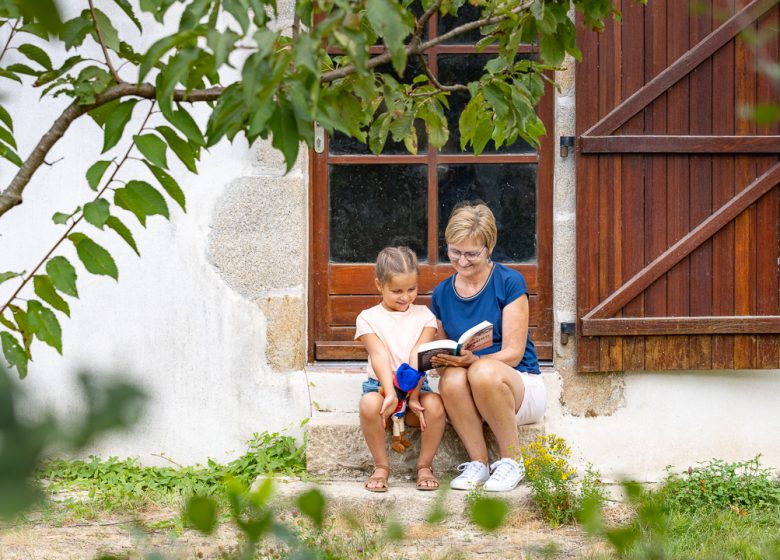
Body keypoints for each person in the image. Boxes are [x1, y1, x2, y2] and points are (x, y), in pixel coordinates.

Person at [430, 202, 546, 492]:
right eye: (455, 251)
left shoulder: (508, 282)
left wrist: (474, 360)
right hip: (470, 392)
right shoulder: (443, 292)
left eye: (472, 254)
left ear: (489, 248)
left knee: (481, 370)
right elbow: (445, 347)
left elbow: (514, 352)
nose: (462, 261)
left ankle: (512, 461)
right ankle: (478, 464)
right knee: (452, 377)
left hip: (517, 385)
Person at [355, 246, 446, 492]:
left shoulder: (424, 315)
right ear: (379, 285)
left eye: (411, 289)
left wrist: (414, 396)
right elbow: (379, 354)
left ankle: (424, 465)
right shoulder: (367, 318)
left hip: (416, 386)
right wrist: (391, 392)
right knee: (368, 404)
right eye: (396, 291)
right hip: (382, 389)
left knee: (436, 405)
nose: (405, 297)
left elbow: (419, 355)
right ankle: (381, 466)